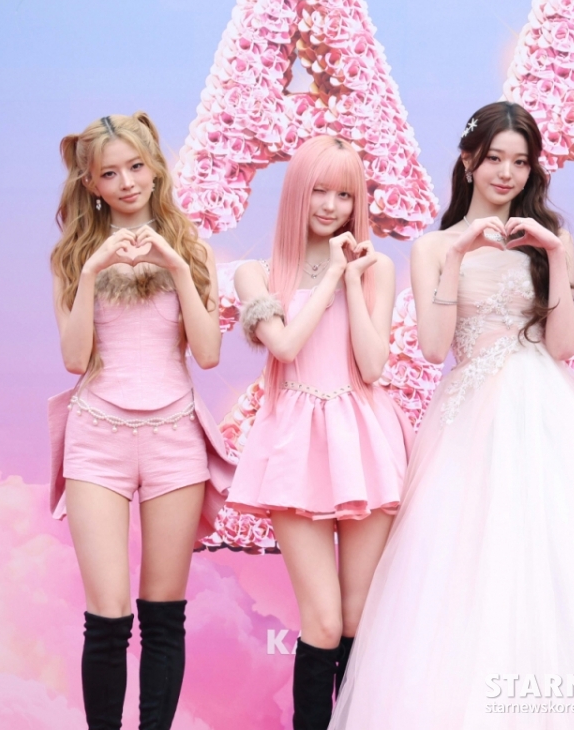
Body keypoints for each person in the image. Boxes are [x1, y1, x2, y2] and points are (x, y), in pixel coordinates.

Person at [329, 101, 574, 729]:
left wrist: (554, 254)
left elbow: (562, 345)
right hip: (470, 420)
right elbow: (433, 347)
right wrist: (458, 255)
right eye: (495, 159)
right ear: (468, 162)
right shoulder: (432, 247)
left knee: (564, 569)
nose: (506, 174)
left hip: (548, 413)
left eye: (521, 162)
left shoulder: (550, 239)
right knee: (466, 572)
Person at [48, 112, 233, 730]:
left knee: (163, 613)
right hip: (96, 438)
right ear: (91, 184)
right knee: (106, 617)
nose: (126, 182)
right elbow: (75, 359)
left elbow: (208, 353)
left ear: (156, 169)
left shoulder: (193, 249)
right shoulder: (73, 257)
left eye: (136, 167)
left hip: (174, 438)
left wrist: (177, 266)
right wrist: (92, 270)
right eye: (110, 173)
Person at [228, 136, 411, 730]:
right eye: (319, 191)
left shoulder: (377, 268)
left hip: (363, 440)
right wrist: (332, 274)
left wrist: (353, 279)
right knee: (324, 622)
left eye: (345, 195)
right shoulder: (257, 274)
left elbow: (373, 366)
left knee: (358, 620)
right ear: (296, 193)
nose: (331, 206)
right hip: (295, 446)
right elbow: (284, 346)